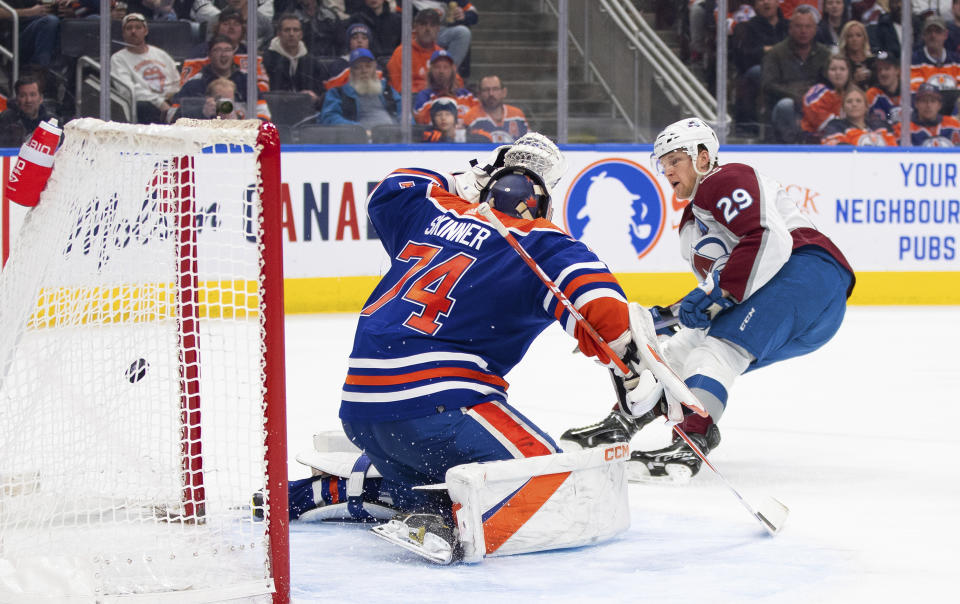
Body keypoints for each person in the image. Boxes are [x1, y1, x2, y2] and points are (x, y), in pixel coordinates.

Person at [332, 132, 641, 562]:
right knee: (557, 484)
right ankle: (423, 506)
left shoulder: (432, 209)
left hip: (361, 412)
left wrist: (466, 178)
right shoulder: (540, 242)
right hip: (436, 410)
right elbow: (603, 310)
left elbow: (392, 188)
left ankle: (368, 491)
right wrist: (635, 361)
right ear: (543, 206)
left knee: (437, 479)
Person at [561, 118, 854, 482]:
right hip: (799, 302)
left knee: (715, 351)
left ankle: (692, 440)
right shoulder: (692, 223)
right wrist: (665, 319)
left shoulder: (723, 179)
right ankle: (623, 421)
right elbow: (723, 278)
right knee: (674, 356)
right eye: (662, 163)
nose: (667, 170)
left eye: (675, 159)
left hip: (808, 272)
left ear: (703, 156)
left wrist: (723, 293)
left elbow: (767, 239)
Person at [762, 4, 832, 143]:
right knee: (786, 105)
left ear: (815, 29)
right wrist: (795, 96)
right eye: (799, 26)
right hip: (786, 106)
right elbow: (768, 84)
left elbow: (830, 83)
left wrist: (811, 97)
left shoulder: (825, 54)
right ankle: (790, 146)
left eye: (808, 26)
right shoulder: (775, 53)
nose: (803, 31)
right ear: (790, 28)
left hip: (816, 104)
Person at [110, 13, 181, 124]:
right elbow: (128, 90)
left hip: (171, 102)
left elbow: (177, 81)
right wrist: (159, 102)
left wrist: (172, 97)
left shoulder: (160, 54)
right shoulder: (118, 59)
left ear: (146, 31)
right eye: (129, 28)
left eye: (138, 27)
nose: (133, 31)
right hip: (147, 105)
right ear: (123, 33)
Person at [731, 0, 788, 129]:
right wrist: (768, 51)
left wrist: (772, 50)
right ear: (755, 5)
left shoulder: (789, 26)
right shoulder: (747, 27)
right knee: (757, 72)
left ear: (778, 2)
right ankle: (751, 124)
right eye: (761, 0)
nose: (766, 2)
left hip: (789, 71)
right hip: (761, 71)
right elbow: (744, 56)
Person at [319, 47, 399, 130]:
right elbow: (329, 118)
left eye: (368, 66)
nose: (364, 71)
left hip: (392, 136)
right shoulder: (338, 93)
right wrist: (358, 130)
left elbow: (405, 114)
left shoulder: (387, 89)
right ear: (351, 71)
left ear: (374, 68)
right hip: (357, 139)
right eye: (358, 67)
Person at [263, 13, 328, 104]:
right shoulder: (266, 60)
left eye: (296, 30)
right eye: (287, 30)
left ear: (301, 34)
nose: (291, 34)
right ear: (278, 34)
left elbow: (322, 92)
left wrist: (315, 97)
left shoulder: (312, 62)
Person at [411, 49, 477, 124]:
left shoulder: (466, 95)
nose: (441, 71)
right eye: (437, 67)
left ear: (453, 71)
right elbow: (423, 119)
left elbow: (480, 116)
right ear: (430, 71)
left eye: (446, 67)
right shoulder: (424, 97)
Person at [386, 8, 444, 94]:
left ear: (438, 29)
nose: (428, 29)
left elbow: (455, 82)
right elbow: (397, 86)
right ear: (415, 27)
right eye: (423, 24)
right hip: (411, 100)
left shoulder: (441, 54)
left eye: (432, 25)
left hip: (438, 99)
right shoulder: (403, 52)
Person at [412, 0, 477, 76]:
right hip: (414, 34)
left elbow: (474, 15)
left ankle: (448, 75)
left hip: (440, 33)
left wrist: (464, 14)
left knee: (463, 32)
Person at [821, 86, 898, 145]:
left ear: (866, 107)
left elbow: (894, 150)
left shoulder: (881, 127)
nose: (854, 104)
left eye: (858, 101)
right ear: (843, 108)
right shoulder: (835, 127)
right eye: (849, 101)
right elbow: (833, 149)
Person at [463, 74, 529, 143]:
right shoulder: (471, 117)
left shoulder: (518, 115)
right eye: (486, 90)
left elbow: (528, 142)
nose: (491, 93)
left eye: (495, 89)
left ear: (504, 92)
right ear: (479, 94)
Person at [801, 55, 852, 140]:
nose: (838, 73)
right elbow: (822, 122)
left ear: (849, 72)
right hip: (815, 141)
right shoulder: (817, 91)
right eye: (833, 69)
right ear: (826, 72)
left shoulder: (854, 93)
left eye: (842, 69)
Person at [0, 0, 61, 68]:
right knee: (50, 21)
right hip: (12, 35)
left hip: (36, 26)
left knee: (62, 23)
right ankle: (37, 68)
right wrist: (29, 12)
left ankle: (61, 69)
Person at [894, 83, 960, 145]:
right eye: (924, 101)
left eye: (933, 101)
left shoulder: (953, 124)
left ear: (939, 105)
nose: (928, 105)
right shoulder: (903, 128)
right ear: (916, 104)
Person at [910, 14, 960, 92]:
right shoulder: (914, 61)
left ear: (945, 35)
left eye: (938, 31)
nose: (933, 35)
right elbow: (916, 93)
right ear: (923, 35)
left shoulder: (957, 60)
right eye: (929, 31)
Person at [0, 76, 55, 146]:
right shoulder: (6, 120)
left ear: (41, 98)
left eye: (33, 95)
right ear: (17, 98)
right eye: (23, 95)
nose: (28, 100)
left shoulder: (51, 121)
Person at [421, 96, 489, 142]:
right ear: (433, 119)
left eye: (448, 114)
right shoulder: (429, 136)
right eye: (439, 115)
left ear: (455, 117)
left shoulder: (470, 134)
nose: (443, 118)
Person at [866, 49, 902, 127]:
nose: (883, 73)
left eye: (887, 68)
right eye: (879, 69)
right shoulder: (872, 94)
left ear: (897, 70)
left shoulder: (910, 91)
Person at [838, 20, 875, 89]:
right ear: (845, 39)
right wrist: (854, 81)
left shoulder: (873, 61)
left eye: (858, 35)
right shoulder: (841, 63)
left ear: (864, 38)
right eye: (850, 36)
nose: (854, 39)